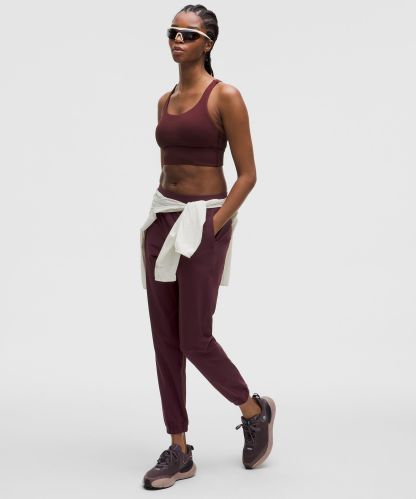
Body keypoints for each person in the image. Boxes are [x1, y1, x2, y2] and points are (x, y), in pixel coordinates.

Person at [141, 5, 276, 490]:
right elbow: (170, 166)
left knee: (195, 338)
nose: (177, 40)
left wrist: (215, 224)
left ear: (208, 43)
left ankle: (253, 409)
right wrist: (162, 221)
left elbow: (248, 174)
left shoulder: (226, 96)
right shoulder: (164, 100)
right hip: (162, 220)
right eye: (172, 32)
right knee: (165, 339)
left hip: (204, 222)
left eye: (188, 34)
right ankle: (179, 449)